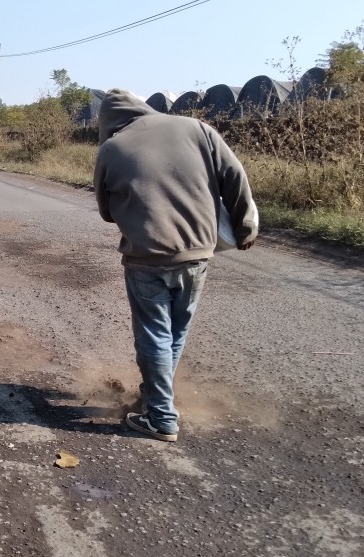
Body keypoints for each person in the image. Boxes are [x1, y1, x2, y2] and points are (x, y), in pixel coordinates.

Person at [94, 89, 258, 442]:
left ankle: (161, 417)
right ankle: (154, 397)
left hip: (146, 256)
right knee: (175, 331)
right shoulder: (198, 129)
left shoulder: (112, 147)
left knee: (154, 332)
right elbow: (235, 177)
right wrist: (245, 227)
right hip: (198, 253)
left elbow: (107, 212)